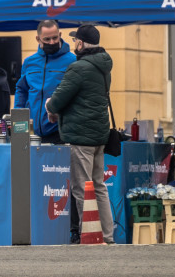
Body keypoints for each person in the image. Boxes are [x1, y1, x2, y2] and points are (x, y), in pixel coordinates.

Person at [45, 24, 115, 244]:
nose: (74, 44)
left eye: (76, 40)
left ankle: (91, 237)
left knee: (82, 188)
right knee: (99, 187)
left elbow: (58, 100)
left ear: (82, 43)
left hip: (80, 136)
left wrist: (49, 106)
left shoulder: (79, 68)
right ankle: (107, 236)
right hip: (99, 135)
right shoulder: (104, 66)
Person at [14, 20, 76, 144]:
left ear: (60, 35)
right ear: (38, 39)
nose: (52, 42)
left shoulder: (73, 61)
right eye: (47, 39)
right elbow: (21, 90)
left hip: (61, 131)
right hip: (32, 132)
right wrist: (18, 119)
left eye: (55, 38)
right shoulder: (29, 62)